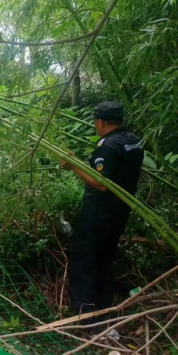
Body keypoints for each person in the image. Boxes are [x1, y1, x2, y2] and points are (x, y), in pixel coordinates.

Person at [60, 101, 144, 321]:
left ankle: (85, 315)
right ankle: (103, 308)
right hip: (120, 212)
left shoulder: (107, 145)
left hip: (99, 213)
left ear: (100, 122)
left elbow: (101, 183)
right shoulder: (133, 141)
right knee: (105, 260)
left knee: (85, 261)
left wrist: (72, 165)